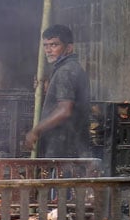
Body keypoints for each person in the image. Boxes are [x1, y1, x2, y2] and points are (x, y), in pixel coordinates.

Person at [24, 24, 90, 158]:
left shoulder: (65, 71)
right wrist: (46, 90)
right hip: (70, 146)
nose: (48, 50)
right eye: (46, 45)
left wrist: (35, 131)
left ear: (69, 48)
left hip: (64, 148)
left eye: (54, 45)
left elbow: (64, 111)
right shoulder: (69, 68)